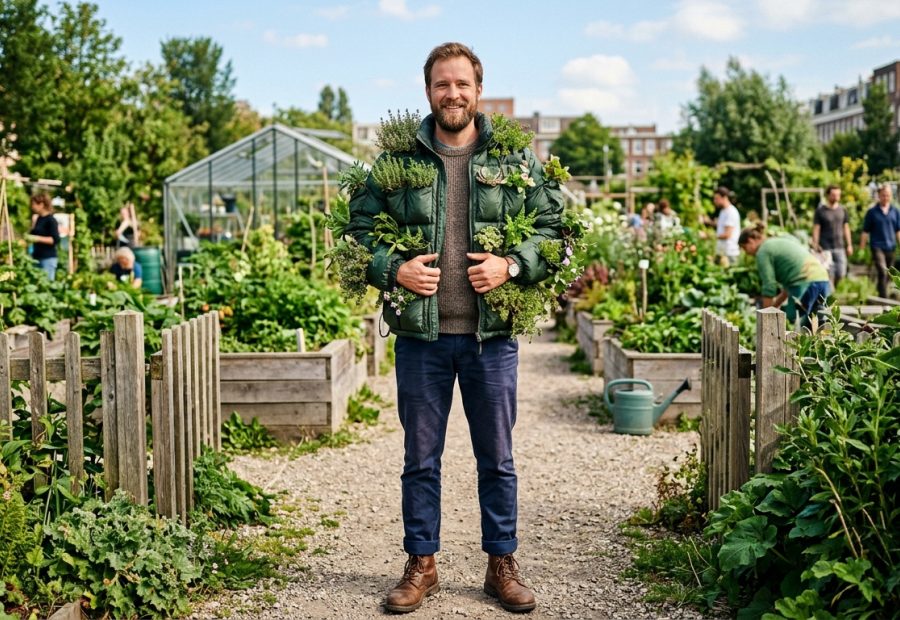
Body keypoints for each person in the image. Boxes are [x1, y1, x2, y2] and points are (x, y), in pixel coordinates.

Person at [345, 42, 563, 615]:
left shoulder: (515, 161)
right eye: (442, 85)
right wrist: (393, 267)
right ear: (428, 92)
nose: (453, 94)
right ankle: (422, 565)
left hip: (491, 339)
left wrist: (511, 264)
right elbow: (356, 232)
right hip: (423, 339)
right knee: (420, 459)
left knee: (498, 459)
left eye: (462, 84)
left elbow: (553, 230)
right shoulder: (400, 162)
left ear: (478, 89)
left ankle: (501, 565)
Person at [739, 224, 831, 329]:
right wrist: (774, 307)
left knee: (790, 322)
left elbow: (769, 285)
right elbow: (785, 290)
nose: (746, 253)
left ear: (751, 240)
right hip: (822, 278)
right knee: (816, 323)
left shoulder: (763, 251)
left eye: (744, 248)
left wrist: (765, 318)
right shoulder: (776, 242)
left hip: (806, 282)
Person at [859, 184, 900, 299]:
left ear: (891, 196)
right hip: (877, 246)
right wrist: (861, 247)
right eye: (883, 195)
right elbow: (865, 231)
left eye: (887, 195)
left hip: (890, 246)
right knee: (882, 271)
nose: (885, 198)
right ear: (879, 196)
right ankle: (884, 298)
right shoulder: (872, 212)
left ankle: (881, 290)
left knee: (889, 273)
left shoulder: (895, 212)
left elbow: (898, 230)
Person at [812, 185, 852, 288]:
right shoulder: (821, 211)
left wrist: (849, 244)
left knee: (841, 273)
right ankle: (831, 297)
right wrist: (815, 244)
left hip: (839, 246)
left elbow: (846, 227)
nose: (836, 197)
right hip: (825, 247)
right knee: (829, 275)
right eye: (833, 195)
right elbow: (816, 228)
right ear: (827, 195)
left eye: (838, 195)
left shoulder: (842, 210)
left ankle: (837, 292)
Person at [703, 187, 741, 265]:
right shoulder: (723, 211)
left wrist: (708, 236)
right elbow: (722, 226)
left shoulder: (730, 212)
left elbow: (727, 234)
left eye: (717, 198)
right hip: (721, 251)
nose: (715, 201)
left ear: (725, 197)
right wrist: (709, 222)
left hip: (729, 253)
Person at [27, 193, 60, 280]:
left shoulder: (51, 220)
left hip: (48, 258)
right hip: (36, 257)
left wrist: (37, 239)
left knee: (46, 285)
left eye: (34, 204)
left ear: (41, 204)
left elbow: (55, 239)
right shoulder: (38, 218)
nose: (32, 207)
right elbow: (33, 233)